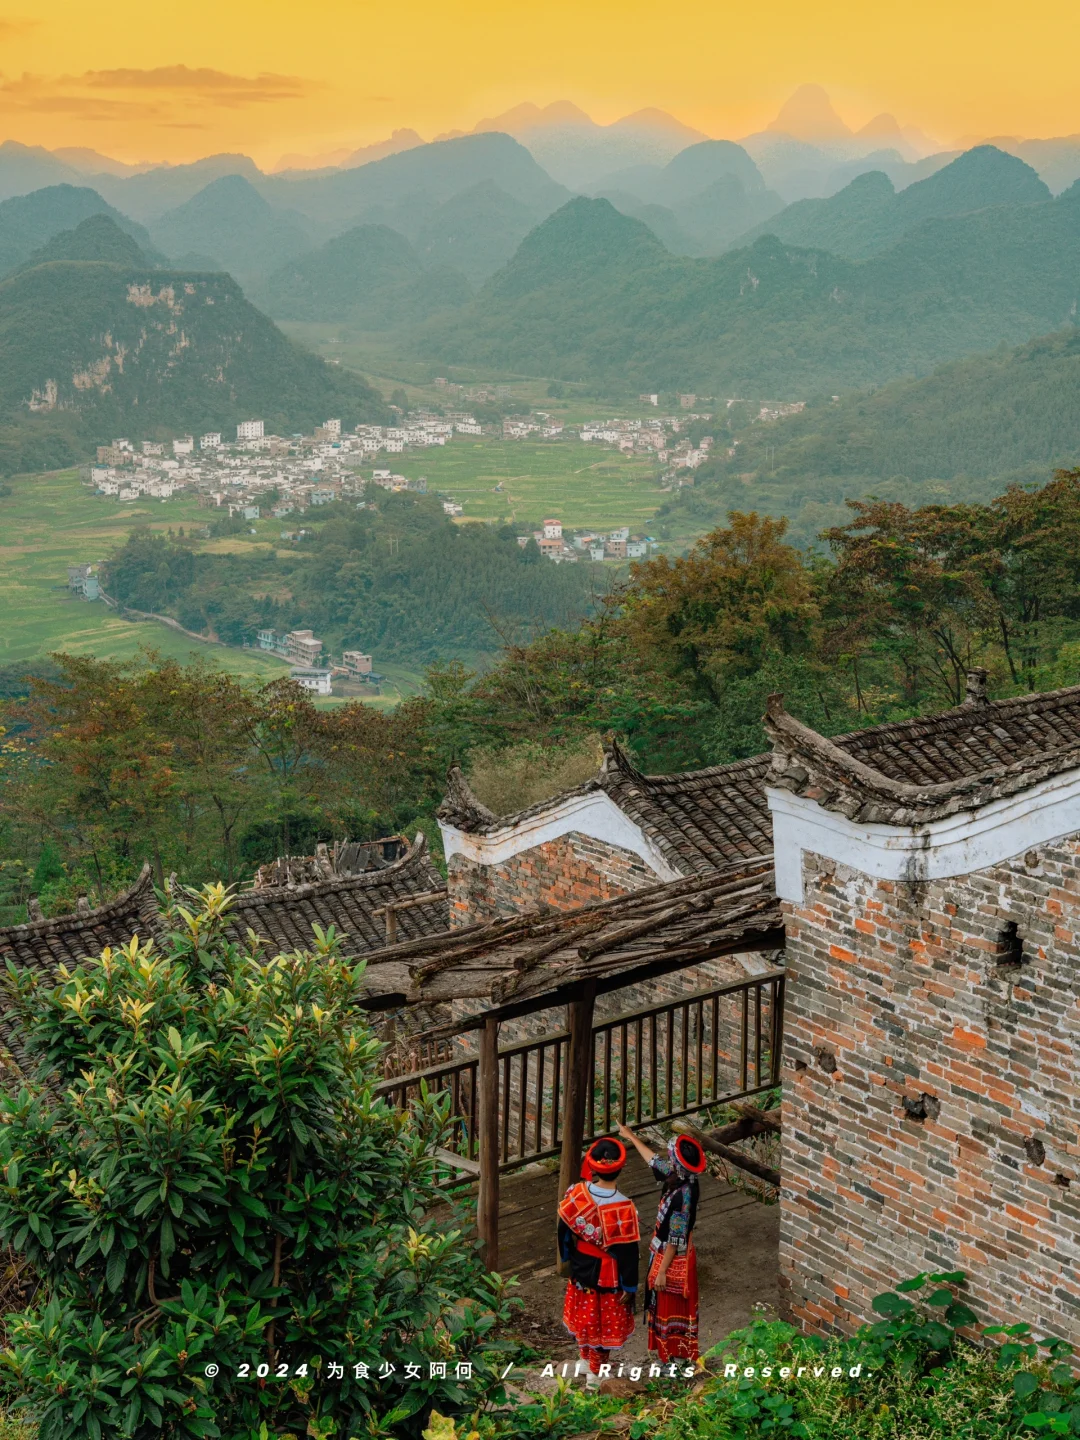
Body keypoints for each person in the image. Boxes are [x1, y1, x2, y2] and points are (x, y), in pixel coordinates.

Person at [617, 1122, 707, 1363]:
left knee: (669, 1304)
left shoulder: (683, 1199)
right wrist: (631, 1136)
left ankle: (674, 1360)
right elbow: (654, 1161)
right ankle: (672, 1356)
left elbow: (674, 1239)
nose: (668, 1160)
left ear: (678, 1165)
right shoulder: (680, 1176)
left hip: (672, 1257)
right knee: (663, 1305)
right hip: (663, 1251)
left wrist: (663, 1271)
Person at [557, 1136, 640, 1387]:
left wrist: (568, 1257)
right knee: (604, 1322)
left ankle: (584, 1359)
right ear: (621, 1168)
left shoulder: (576, 1194)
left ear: (592, 1167)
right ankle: (596, 1372)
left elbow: (563, 1230)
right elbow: (627, 1253)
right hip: (608, 1275)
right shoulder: (625, 1208)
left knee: (584, 1316)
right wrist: (630, 1286)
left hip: (581, 1268)